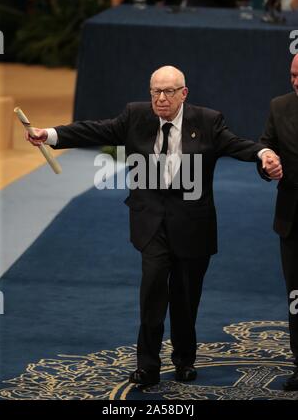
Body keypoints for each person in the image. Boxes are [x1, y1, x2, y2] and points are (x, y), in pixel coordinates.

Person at [26, 66, 281, 386]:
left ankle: (184, 360)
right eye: (155, 92)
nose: (161, 99)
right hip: (151, 223)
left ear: (183, 94)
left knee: (186, 299)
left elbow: (237, 144)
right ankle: (147, 365)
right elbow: (95, 130)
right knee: (153, 291)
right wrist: (49, 135)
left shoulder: (207, 120)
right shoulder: (136, 116)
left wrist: (264, 153)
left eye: (169, 92)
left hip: (193, 225)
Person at [258, 55, 298, 391]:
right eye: (293, 75)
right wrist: (266, 162)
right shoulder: (279, 106)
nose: (296, 81)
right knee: (297, 297)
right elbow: (266, 146)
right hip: (293, 220)